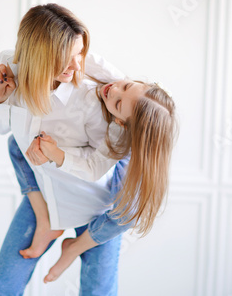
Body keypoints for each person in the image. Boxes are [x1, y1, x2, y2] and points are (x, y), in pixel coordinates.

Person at [0, 3, 130, 296]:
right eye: (67, 58)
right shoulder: (9, 66)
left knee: (98, 291)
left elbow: (101, 162)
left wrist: (55, 155)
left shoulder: (88, 95)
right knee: (2, 287)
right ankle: (47, 222)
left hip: (96, 204)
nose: (78, 66)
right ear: (38, 56)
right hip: (48, 195)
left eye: (81, 54)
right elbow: (2, 129)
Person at [13, 78, 178, 283]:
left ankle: (74, 247)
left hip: (104, 200)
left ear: (121, 123)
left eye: (118, 104)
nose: (114, 89)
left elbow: (94, 171)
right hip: (65, 183)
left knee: (129, 213)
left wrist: (56, 154)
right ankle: (46, 222)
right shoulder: (115, 84)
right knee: (15, 142)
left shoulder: (124, 143)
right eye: (126, 86)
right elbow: (89, 59)